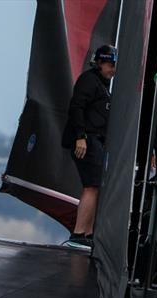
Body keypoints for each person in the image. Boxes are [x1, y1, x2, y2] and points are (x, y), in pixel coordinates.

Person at [62, 44, 117, 249]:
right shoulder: (89, 80)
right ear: (100, 63)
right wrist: (81, 136)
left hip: (97, 140)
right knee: (92, 186)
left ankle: (88, 232)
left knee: (97, 186)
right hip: (88, 139)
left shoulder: (103, 84)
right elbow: (76, 107)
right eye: (110, 64)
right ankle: (79, 233)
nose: (113, 69)